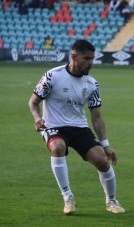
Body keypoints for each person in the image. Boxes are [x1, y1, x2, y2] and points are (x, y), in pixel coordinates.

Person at [28, 39, 125, 215]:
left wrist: (106, 145)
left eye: (92, 58)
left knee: (102, 161)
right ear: (74, 56)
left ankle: (111, 201)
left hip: (79, 127)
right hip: (53, 125)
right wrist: (37, 118)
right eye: (86, 58)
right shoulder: (53, 76)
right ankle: (68, 197)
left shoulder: (92, 84)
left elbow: (96, 117)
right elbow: (33, 102)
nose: (90, 63)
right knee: (57, 147)